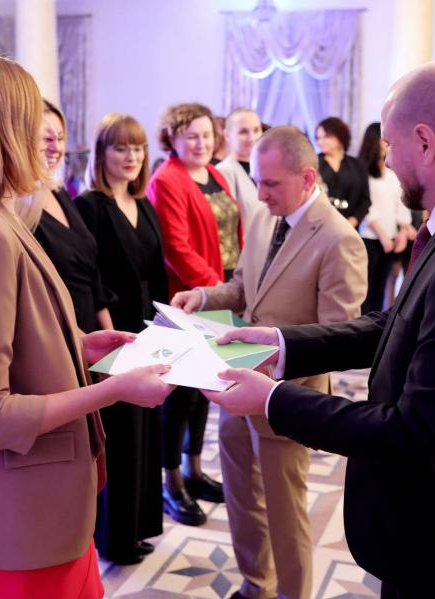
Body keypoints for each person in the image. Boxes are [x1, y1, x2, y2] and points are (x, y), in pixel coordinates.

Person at [204, 60, 435, 598]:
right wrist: (281, 343)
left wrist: (273, 400)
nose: (386, 160)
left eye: (390, 145)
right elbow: (399, 323)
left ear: (426, 142)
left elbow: (415, 433)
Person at [0, 51, 174, 598]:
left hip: (36, 506)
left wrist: (80, 345)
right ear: (0, 128)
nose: (44, 140)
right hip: (16, 518)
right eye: (31, 121)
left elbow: (12, 340)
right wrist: (115, 389)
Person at [171, 126, 367, 599]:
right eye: (256, 181)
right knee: (241, 497)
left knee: (285, 509)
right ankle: (256, 584)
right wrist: (202, 297)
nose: (259, 194)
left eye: (271, 183)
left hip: (287, 399)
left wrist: (273, 373)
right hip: (237, 388)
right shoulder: (263, 217)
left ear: (307, 177)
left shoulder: (339, 239)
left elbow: (339, 340)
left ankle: (292, 594)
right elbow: (244, 288)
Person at [75, 113, 166, 564]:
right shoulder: (89, 206)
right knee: (119, 436)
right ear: (102, 153)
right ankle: (114, 537)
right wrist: (111, 334)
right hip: (113, 329)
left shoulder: (142, 202)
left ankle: (137, 527)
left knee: (144, 428)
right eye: (121, 148)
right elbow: (90, 278)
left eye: (138, 148)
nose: (132, 157)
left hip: (147, 327)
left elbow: (155, 272)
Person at [147, 102, 242, 525]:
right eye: (192, 137)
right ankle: (171, 483)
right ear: (173, 138)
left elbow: (234, 232)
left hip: (218, 295)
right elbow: (176, 249)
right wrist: (217, 290)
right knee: (179, 395)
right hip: (188, 299)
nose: (201, 143)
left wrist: (233, 288)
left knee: (205, 389)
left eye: (206, 135)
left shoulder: (215, 174)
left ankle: (194, 470)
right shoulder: (167, 179)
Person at [28, 100, 114, 333]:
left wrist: (109, 333)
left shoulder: (60, 193)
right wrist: (81, 341)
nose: (56, 148)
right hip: (59, 334)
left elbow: (93, 278)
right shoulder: (18, 210)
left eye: (60, 138)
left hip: (90, 328)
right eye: (47, 139)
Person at [357, 122, 412, 313]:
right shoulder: (363, 172)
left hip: (391, 238)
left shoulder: (392, 171)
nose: (387, 143)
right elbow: (366, 207)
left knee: (381, 289)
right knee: (366, 290)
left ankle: (374, 330)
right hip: (370, 237)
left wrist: (403, 232)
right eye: (383, 139)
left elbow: (401, 204)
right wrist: (382, 236)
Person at [315, 116, 371, 228]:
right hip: (320, 226)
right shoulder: (314, 163)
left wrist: (353, 221)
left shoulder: (358, 165)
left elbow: (365, 200)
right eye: (318, 138)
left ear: (339, 136)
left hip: (350, 227)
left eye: (326, 137)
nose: (320, 142)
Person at [216, 108, 264, 230]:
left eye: (256, 130)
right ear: (227, 135)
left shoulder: (266, 168)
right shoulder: (223, 171)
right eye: (243, 132)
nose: (252, 137)